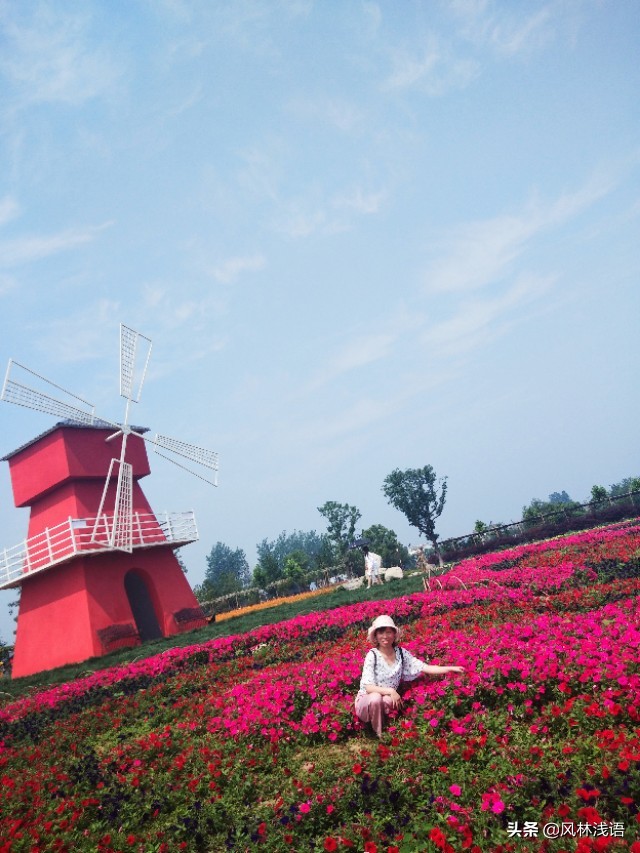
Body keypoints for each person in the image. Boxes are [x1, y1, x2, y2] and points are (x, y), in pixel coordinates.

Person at [355, 614, 464, 737]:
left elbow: (424, 667)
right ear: (376, 635)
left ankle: (383, 726)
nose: (385, 636)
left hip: (386, 697)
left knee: (386, 700)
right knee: (376, 698)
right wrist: (390, 690)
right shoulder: (372, 655)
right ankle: (377, 734)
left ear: (394, 635)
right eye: (381, 633)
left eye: (389, 632)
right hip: (367, 698)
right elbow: (368, 687)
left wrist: (450, 668)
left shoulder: (401, 653)